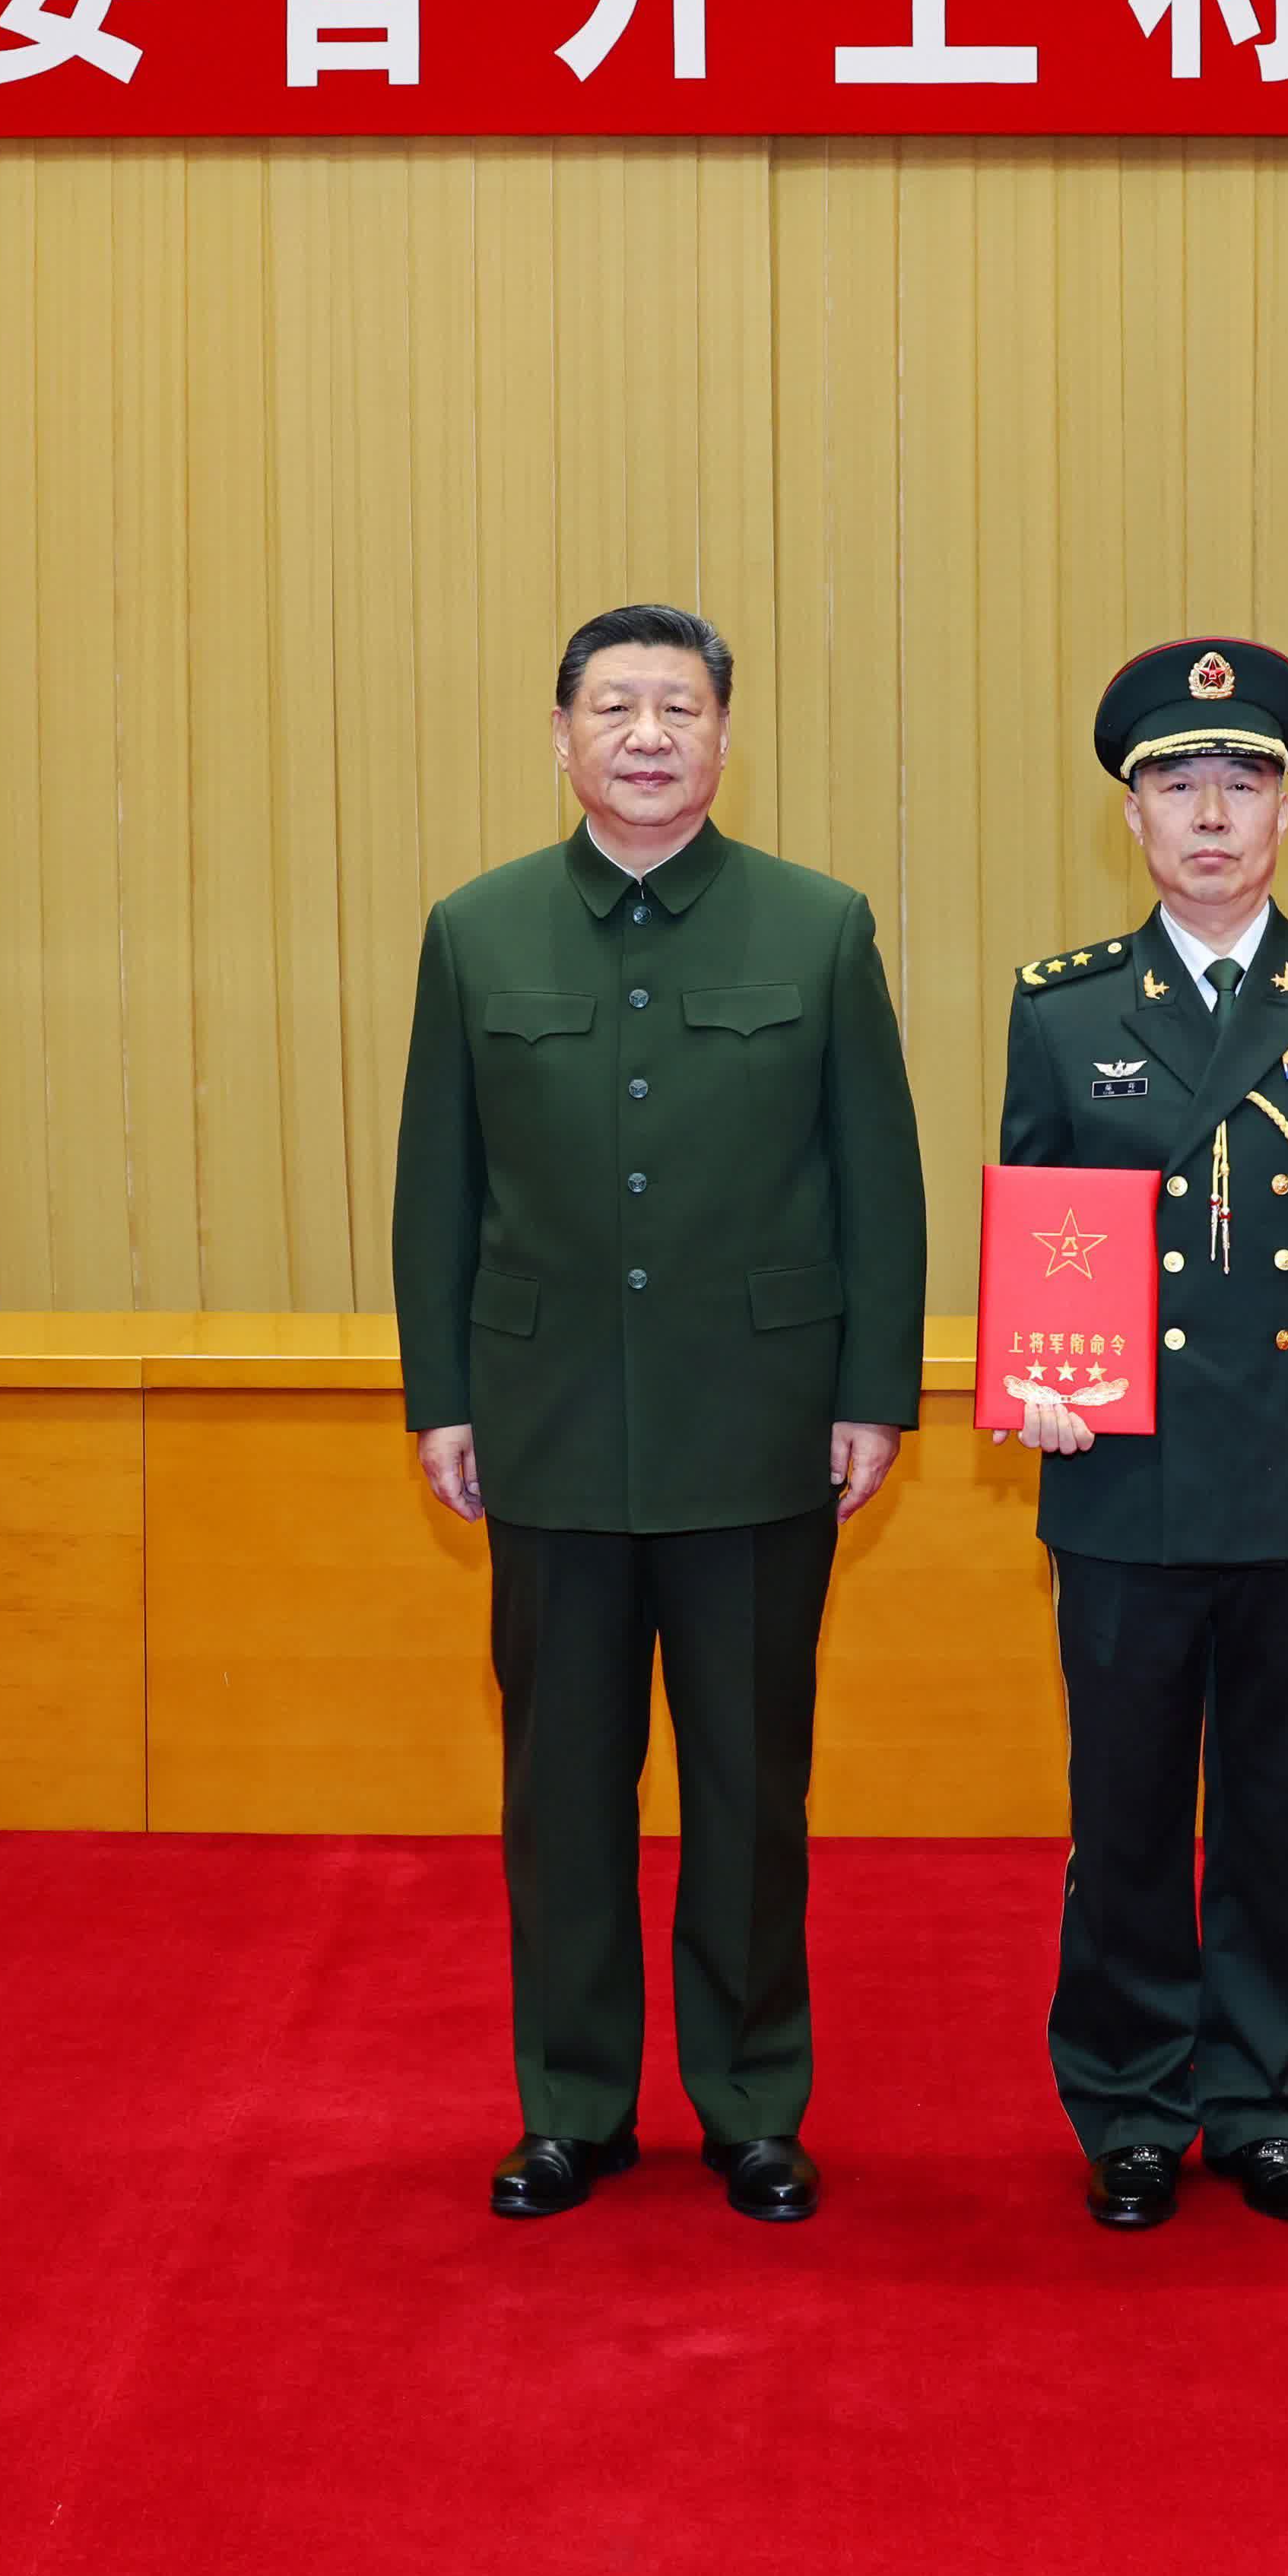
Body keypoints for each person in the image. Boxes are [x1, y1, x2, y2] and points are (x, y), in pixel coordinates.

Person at [392, 604, 927, 2225]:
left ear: (722, 737)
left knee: (751, 1788)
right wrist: (442, 1395)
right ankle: (573, 2105)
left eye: (677, 707)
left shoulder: (817, 926)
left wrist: (872, 1394)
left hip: (757, 1425)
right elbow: (437, 1185)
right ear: (560, 735)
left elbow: (877, 1180)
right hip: (546, 1422)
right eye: (613, 706)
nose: (646, 734)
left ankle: (751, 2103)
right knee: (561, 1792)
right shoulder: (476, 929)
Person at [995, 636, 1288, 2231]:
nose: (1209, 814)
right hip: (1120, 1467)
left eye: (1240, 783)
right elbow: (1038, 1224)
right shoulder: (1063, 1008)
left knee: (1269, 1801)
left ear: (1282, 811)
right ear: (1128, 816)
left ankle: (1262, 2101)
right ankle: (1130, 2103)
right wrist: (1030, 1375)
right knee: (1123, 1804)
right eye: (1177, 785)